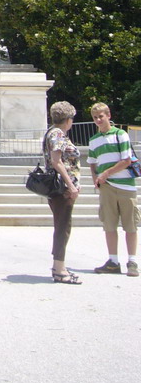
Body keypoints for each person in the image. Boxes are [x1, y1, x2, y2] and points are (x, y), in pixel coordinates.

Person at [88, 102, 139, 277]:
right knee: (109, 225)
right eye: (95, 118)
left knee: (130, 225)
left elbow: (126, 160)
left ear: (108, 115)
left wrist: (106, 174)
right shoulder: (94, 140)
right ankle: (113, 261)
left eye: (101, 116)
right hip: (107, 187)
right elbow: (92, 162)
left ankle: (132, 261)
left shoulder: (121, 134)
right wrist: (96, 178)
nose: (98, 120)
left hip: (125, 185)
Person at [42, 101, 81, 284]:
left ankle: (59, 265)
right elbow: (56, 161)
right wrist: (71, 185)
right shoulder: (57, 134)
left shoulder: (52, 132)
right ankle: (59, 268)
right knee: (63, 227)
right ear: (68, 119)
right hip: (62, 189)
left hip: (60, 188)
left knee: (62, 225)